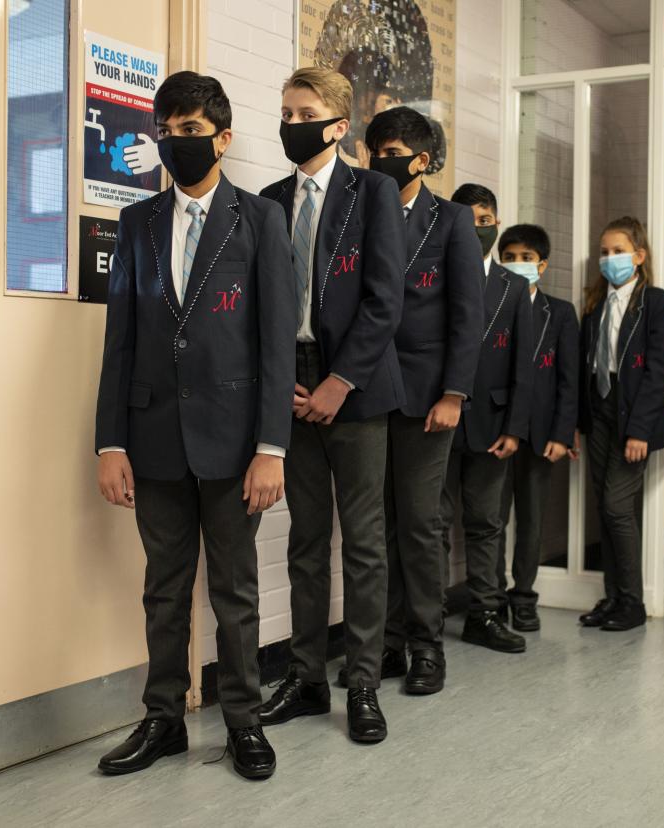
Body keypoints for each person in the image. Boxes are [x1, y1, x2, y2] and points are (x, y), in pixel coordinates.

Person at [93, 72, 294, 779]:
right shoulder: (137, 223)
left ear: (222, 137)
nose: (176, 142)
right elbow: (120, 340)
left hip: (237, 445)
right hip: (152, 441)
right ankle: (163, 719)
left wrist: (272, 448)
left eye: (188, 131)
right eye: (166, 131)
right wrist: (110, 441)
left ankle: (242, 720)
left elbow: (276, 343)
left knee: (234, 590)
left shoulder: (262, 221)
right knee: (163, 588)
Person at [256, 66, 406, 745]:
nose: (291, 123)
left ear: (338, 124)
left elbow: (384, 299)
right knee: (305, 540)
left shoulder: (373, 192)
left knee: (365, 543)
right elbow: (263, 307)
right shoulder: (267, 200)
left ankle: (364, 681)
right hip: (292, 382)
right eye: (285, 111)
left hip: (356, 384)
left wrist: (339, 382)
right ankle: (307, 677)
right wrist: (283, 380)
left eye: (304, 112)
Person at [365, 106, 483, 696]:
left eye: (389, 152)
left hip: (427, 398)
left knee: (419, 522)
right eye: (373, 150)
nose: (377, 162)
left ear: (420, 159)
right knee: (373, 527)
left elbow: (468, 314)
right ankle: (382, 644)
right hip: (367, 392)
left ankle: (425, 646)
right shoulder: (359, 211)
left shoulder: (452, 220)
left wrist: (455, 394)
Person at [575, 217, 664, 631]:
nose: (609, 258)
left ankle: (632, 602)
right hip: (599, 412)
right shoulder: (596, 305)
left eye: (618, 251)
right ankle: (613, 596)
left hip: (632, 413)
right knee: (604, 506)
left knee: (618, 507)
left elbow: (659, 371)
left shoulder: (657, 302)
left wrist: (639, 430)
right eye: (603, 252)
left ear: (639, 256)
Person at [444, 183, 534, 653]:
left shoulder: (514, 287)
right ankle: (424, 617)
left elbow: (524, 365)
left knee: (485, 522)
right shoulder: (431, 277)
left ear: (497, 223)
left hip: (493, 423)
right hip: (435, 421)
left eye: (486, 220)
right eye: (469, 220)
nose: (479, 229)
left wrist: (516, 427)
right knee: (431, 523)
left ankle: (484, 612)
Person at [494, 223, 579, 633]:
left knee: (530, 518)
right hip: (496, 430)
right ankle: (490, 597)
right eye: (508, 257)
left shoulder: (559, 314)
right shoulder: (491, 305)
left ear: (541, 265)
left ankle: (523, 597)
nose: (516, 264)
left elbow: (569, 379)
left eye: (525, 258)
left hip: (541, 433)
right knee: (490, 518)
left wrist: (563, 434)